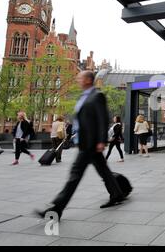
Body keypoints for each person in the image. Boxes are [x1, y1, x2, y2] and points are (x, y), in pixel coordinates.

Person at [35, 71, 125, 220]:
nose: (78, 80)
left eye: (80, 78)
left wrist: (102, 140)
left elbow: (103, 119)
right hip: (85, 142)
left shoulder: (97, 95)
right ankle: (117, 194)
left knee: (74, 176)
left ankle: (57, 209)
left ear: (88, 80)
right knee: (104, 171)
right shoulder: (83, 97)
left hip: (91, 144)